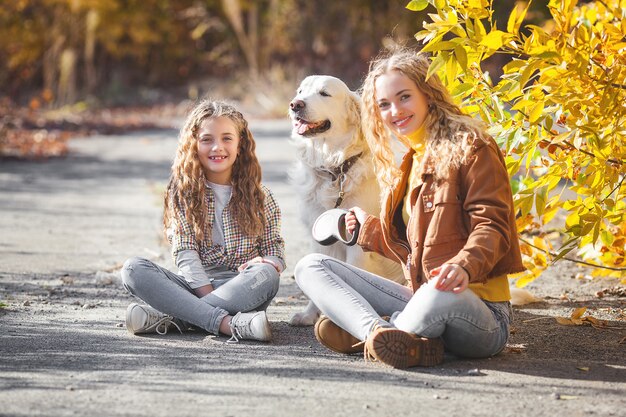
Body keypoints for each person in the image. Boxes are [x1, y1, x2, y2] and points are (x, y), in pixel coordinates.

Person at [295, 48, 524, 368]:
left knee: (436, 292)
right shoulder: (406, 160)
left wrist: (463, 266)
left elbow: (493, 225)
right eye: (384, 104)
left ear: (428, 94)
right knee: (311, 266)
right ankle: (384, 334)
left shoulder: (472, 145)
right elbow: (409, 248)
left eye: (404, 97)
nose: (395, 111)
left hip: (477, 310)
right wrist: (367, 230)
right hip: (419, 295)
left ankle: (368, 330)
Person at [121, 100, 285, 343]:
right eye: (207, 139)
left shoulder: (261, 196)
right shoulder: (183, 192)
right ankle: (229, 325)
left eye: (227, 138)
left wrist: (267, 261)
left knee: (267, 274)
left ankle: (176, 319)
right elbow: (185, 253)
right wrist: (206, 296)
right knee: (133, 269)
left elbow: (275, 251)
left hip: (242, 288)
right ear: (194, 145)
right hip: (194, 286)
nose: (217, 147)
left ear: (240, 145)